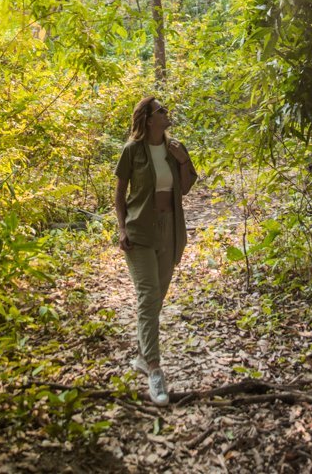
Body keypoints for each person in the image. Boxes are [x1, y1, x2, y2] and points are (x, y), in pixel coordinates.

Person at [114, 96, 197, 406]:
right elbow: (120, 195)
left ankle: (141, 355)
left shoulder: (176, 147)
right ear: (149, 119)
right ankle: (154, 370)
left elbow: (186, 187)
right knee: (148, 297)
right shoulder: (132, 151)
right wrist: (121, 229)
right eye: (161, 110)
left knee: (156, 298)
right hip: (139, 232)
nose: (166, 112)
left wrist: (184, 161)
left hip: (170, 230)